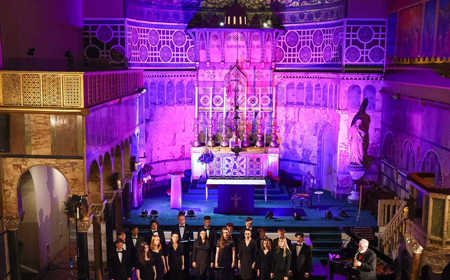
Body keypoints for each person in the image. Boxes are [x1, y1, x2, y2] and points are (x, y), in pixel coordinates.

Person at [172, 213, 193, 280]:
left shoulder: (189, 227)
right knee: (177, 264)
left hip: (186, 249)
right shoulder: (174, 228)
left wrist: (190, 250)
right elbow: (172, 239)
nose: (181, 221)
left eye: (183, 219)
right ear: (178, 220)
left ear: (185, 219)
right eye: (180, 220)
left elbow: (191, 240)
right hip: (177, 249)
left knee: (186, 264)